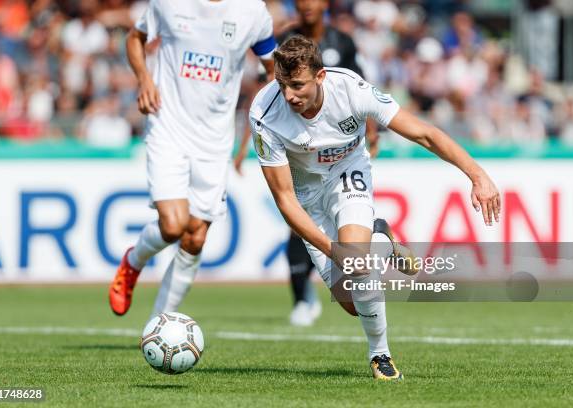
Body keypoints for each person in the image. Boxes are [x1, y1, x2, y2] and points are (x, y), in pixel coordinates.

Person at [249, 36, 499, 380]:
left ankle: (380, 354)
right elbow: (285, 200)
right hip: (306, 197)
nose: (289, 95)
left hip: (348, 175)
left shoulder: (352, 89)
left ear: (320, 76)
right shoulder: (264, 113)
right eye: (282, 84)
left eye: (297, 85)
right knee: (352, 304)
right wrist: (332, 250)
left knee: (359, 267)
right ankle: (381, 240)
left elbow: (424, 134)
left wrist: (478, 176)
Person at [109, 0, 276, 318]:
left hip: (214, 140)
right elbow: (134, 37)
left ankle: (159, 323)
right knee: (173, 226)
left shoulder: (252, 11)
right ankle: (132, 262)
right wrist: (144, 79)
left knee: (196, 236)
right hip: (168, 125)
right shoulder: (169, 3)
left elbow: (272, 68)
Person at [278, 0, 378, 326]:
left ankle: (370, 237)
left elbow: (365, 92)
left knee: (334, 233)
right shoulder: (285, 41)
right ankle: (301, 299)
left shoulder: (342, 41)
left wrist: (372, 132)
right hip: (299, 146)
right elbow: (267, 89)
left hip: (338, 147)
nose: (306, 5)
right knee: (297, 222)